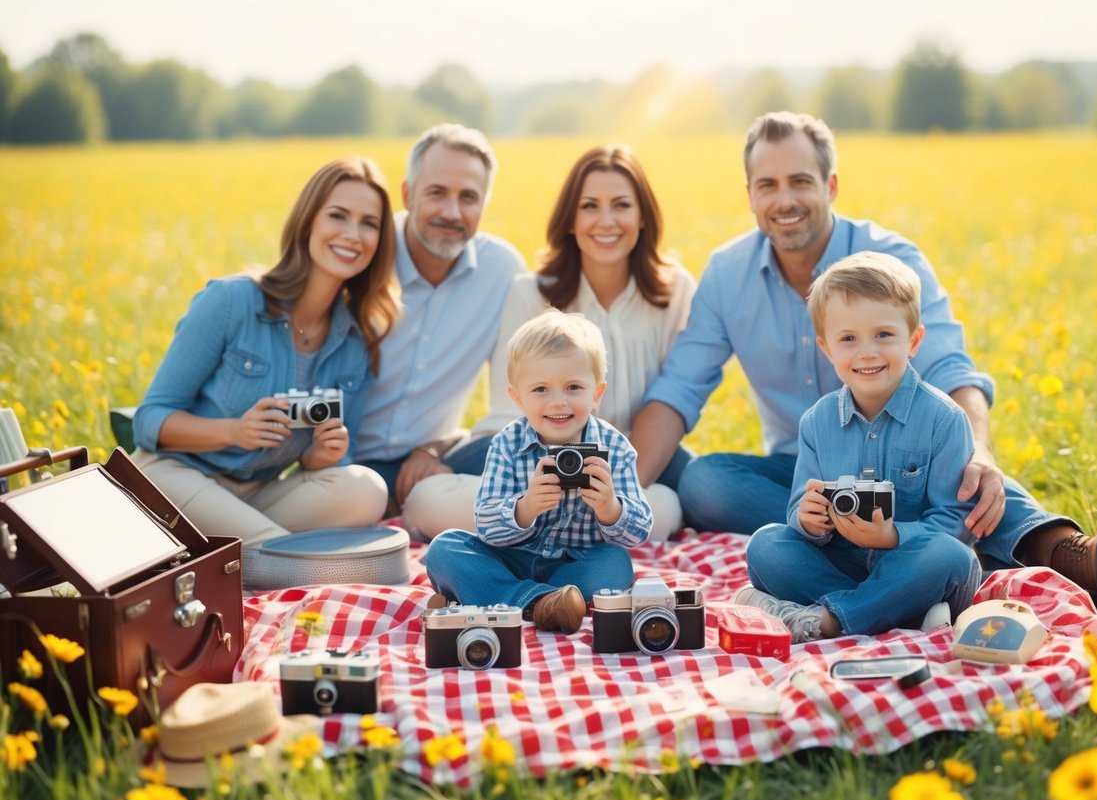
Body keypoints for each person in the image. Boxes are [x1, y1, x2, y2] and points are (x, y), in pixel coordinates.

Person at [631, 111, 1097, 605]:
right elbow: (679, 389)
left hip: (909, 463)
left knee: (958, 473)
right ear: (749, 195)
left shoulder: (891, 262)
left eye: (800, 181)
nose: (784, 199)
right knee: (703, 481)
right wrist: (619, 507)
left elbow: (951, 368)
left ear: (830, 186)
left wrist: (979, 454)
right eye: (767, 185)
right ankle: (880, 557)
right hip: (809, 465)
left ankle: (1063, 551)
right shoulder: (728, 274)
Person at [404, 144, 695, 541]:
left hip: (627, 466)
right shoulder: (531, 292)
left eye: (621, 205)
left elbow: (674, 398)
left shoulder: (674, 291)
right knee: (425, 499)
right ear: (570, 220)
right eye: (589, 206)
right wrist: (533, 488)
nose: (605, 221)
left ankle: (576, 528)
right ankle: (546, 525)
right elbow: (511, 408)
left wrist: (616, 485)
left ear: (642, 215)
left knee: (671, 502)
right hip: (531, 460)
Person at [132, 157, 400, 547]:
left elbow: (330, 460)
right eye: (338, 216)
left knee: (368, 490)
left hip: (258, 494)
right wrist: (235, 431)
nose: (353, 235)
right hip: (177, 475)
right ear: (309, 221)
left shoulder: (356, 343)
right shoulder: (232, 301)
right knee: (273, 547)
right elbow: (148, 420)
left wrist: (319, 457)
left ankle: (239, 552)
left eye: (369, 223)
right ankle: (279, 558)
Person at [737, 251, 983, 641]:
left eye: (883, 335)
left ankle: (829, 621)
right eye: (848, 339)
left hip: (912, 564)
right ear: (826, 349)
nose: (867, 352)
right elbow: (797, 510)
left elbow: (955, 522)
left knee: (951, 558)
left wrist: (890, 537)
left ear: (914, 340)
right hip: (840, 563)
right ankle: (898, 613)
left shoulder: (943, 419)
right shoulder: (818, 422)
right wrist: (810, 519)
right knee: (767, 544)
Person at [424, 309, 653, 634]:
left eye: (573, 387)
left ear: (597, 394)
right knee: (446, 548)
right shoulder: (507, 443)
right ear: (518, 399)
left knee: (615, 565)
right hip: (511, 558)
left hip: (573, 567)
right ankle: (539, 604)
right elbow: (485, 525)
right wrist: (525, 507)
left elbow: (640, 530)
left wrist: (610, 508)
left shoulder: (614, 447)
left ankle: (493, 599)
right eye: (541, 390)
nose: (558, 402)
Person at [354, 123, 527, 516]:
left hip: (436, 461)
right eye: (436, 193)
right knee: (356, 496)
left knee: (530, 461)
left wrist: (437, 449)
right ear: (407, 194)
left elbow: (516, 398)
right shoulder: (364, 255)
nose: (452, 212)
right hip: (347, 466)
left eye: (468, 197)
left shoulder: (502, 270)